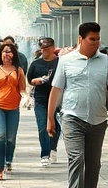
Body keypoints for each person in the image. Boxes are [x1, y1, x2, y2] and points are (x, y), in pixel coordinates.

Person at [48, 22, 108, 188]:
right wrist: (50, 117)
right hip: (72, 118)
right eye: (91, 39)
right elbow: (56, 90)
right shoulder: (66, 61)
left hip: (98, 120)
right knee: (76, 159)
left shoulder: (107, 61)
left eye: (98, 39)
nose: (96, 43)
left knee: (93, 164)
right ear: (81, 39)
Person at [0, 42, 26, 180]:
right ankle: (0, 167)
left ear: (14, 54)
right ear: (0, 54)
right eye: (4, 51)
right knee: (0, 136)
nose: (7, 54)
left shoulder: (18, 71)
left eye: (9, 51)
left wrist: (26, 98)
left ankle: (9, 160)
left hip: (13, 108)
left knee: (11, 138)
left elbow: (22, 89)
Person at [27, 36, 60, 167]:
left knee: (56, 125)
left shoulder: (60, 63)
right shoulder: (36, 63)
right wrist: (37, 81)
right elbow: (29, 79)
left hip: (57, 99)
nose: (43, 50)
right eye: (42, 48)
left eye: (46, 48)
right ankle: (45, 154)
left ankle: (53, 148)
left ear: (52, 48)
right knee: (42, 126)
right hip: (40, 99)